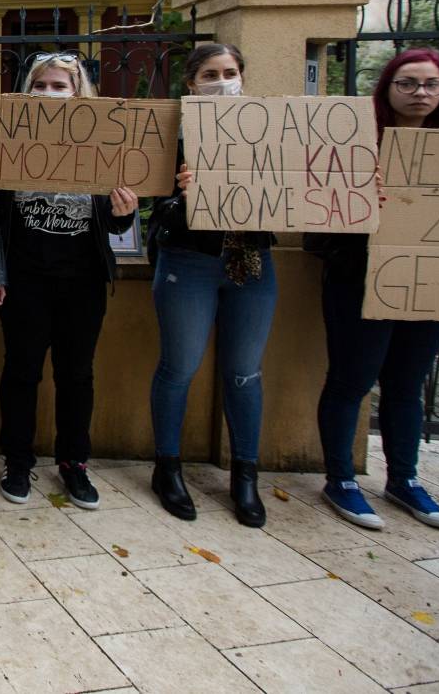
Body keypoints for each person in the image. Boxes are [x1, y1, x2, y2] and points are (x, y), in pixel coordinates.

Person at [0, 54, 138, 509]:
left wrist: (125, 211)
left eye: (60, 85)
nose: (49, 93)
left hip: (82, 282)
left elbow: (116, 225)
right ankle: (18, 462)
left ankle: (73, 463)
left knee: (77, 375)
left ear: (78, 92)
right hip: (23, 280)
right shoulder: (9, 138)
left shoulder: (105, 143)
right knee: (21, 372)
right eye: (41, 85)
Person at [311, 49, 439, 530]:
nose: (420, 93)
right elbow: (315, 227)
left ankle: (405, 479)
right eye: (408, 83)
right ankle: (342, 480)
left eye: (430, 84)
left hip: (429, 282)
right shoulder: (354, 149)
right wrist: (358, 200)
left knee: (406, 385)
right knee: (351, 380)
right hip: (359, 280)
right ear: (388, 89)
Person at [146, 42, 277, 527]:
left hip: (252, 261)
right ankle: (168, 468)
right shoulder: (170, 135)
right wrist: (181, 197)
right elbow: (151, 209)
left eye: (230, 71)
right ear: (192, 84)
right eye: (210, 74)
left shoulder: (272, 131)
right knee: (179, 367)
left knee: (245, 371)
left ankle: (245, 474)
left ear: (243, 75)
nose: (222, 81)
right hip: (189, 261)